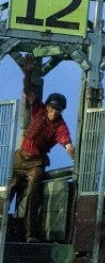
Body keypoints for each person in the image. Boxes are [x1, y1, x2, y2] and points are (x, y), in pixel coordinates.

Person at [9, 56, 75, 242]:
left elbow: (68, 145)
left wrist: (75, 158)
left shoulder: (61, 126)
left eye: (58, 110)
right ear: (47, 107)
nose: (54, 112)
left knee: (32, 194)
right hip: (20, 157)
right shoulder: (38, 109)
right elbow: (27, 90)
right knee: (7, 190)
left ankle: (29, 234)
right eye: (52, 108)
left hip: (36, 163)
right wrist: (28, 71)